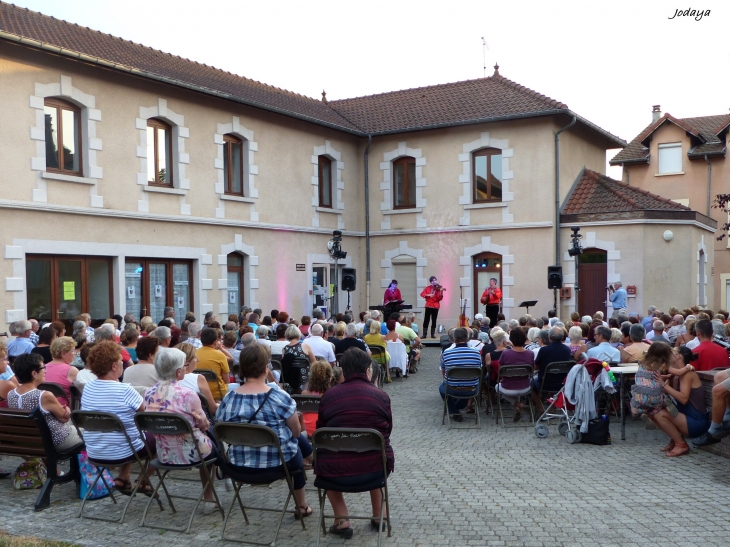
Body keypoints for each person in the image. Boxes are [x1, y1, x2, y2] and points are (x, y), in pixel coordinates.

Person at [216, 343, 313, 520]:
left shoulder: (229, 397)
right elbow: (297, 432)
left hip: (238, 465)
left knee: (289, 440)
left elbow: (220, 426)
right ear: (266, 368)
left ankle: (314, 462)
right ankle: (302, 505)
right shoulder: (279, 397)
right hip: (277, 465)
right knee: (295, 445)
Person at [315, 348, 394, 539]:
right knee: (378, 450)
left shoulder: (330, 396)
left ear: (343, 371)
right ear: (368, 370)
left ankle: (342, 519)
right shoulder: (381, 396)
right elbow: (387, 431)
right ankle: (379, 515)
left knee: (327, 454)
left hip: (334, 470)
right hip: (375, 469)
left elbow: (320, 431)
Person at [144, 348, 219, 512]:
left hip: (164, 453)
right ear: (179, 372)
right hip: (193, 453)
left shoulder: (148, 393)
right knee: (214, 443)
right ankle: (209, 498)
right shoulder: (188, 394)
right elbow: (204, 426)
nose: (186, 368)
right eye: (184, 366)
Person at [80, 341, 153, 493]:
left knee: (126, 433)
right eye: (121, 361)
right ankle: (142, 480)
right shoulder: (125, 390)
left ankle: (123, 478)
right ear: (114, 366)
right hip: (121, 452)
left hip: (95, 451)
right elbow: (145, 415)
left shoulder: (88, 387)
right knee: (160, 439)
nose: (123, 364)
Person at [6, 353, 82, 450]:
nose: (45, 371)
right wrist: (66, 408)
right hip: (54, 441)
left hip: (26, 440)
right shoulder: (44, 396)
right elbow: (64, 418)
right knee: (86, 432)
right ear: (34, 374)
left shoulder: (10, 394)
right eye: (43, 368)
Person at [650, 347, 709, 456]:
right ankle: (674, 438)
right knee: (651, 411)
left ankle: (681, 444)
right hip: (685, 417)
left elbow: (683, 398)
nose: (668, 355)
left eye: (671, 353)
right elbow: (667, 392)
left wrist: (663, 383)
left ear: (679, 356)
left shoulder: (688, 374)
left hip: (696, 421)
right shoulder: (675, 374)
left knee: (659, 414)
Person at [439, 328, 481, 422]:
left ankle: (453, 410)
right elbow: (479, 369)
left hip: (452, 388)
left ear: (454, 338)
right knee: (469, 384)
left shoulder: (447, 352)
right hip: (471, 388)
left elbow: (443, 371)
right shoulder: (476, 352)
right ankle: (455, 410)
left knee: (442, 389)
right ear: (467, 338)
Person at [176, 343, 219, 414]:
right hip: (196, 421)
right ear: (187, 361)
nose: (198, 360)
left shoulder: (164, 379)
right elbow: (212, 409)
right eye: (195, 358)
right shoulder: (199, 378)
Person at [534, 326, 572, 397]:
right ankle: (552, 405)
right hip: (562, 382)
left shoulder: (544, 350)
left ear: (550, 337)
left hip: (545, 383)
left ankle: (540, 407)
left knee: (531, 384)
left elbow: (536, 367)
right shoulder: (567, 350)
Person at [196, 327, 231, 401]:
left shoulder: (194, 354)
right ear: (215, 342)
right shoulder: (220, 355)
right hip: (218, 394)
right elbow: (227, 380)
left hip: (199, 392)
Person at [300, 359, 333, 436]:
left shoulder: (304, 394)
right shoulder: (332, 396)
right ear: (329, 378)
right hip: (324, 435)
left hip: (307, 433)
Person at [44, 336, 79, 406]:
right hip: (64, 410)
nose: (75, 353)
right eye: (73, 351)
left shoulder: (43, 368)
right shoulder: (72, 371)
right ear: (63, 354)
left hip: (44, 407)